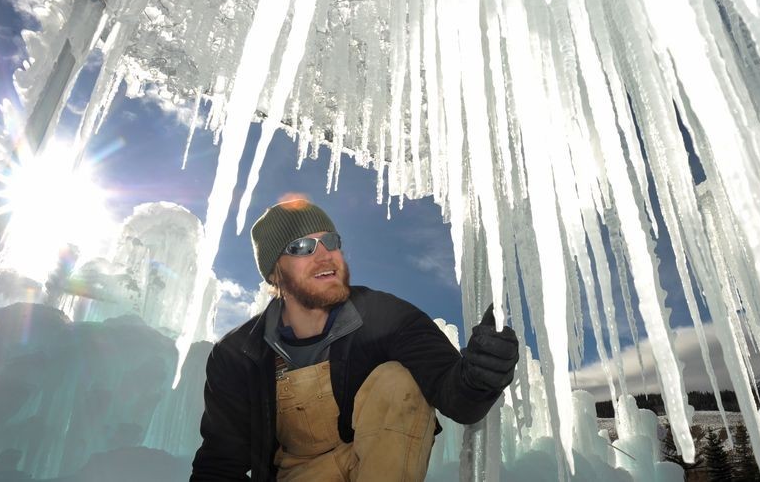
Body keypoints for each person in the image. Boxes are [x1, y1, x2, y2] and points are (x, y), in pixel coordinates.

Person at [191, 199, 519, 481]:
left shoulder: (383, 315)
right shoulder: (240, 353)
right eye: (301, 247)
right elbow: (220, 464)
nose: (325, 256)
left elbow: (455, 396)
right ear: (274, 273)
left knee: (398, 380)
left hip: (373, 466)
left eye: (330, 242)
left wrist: (480, 376)